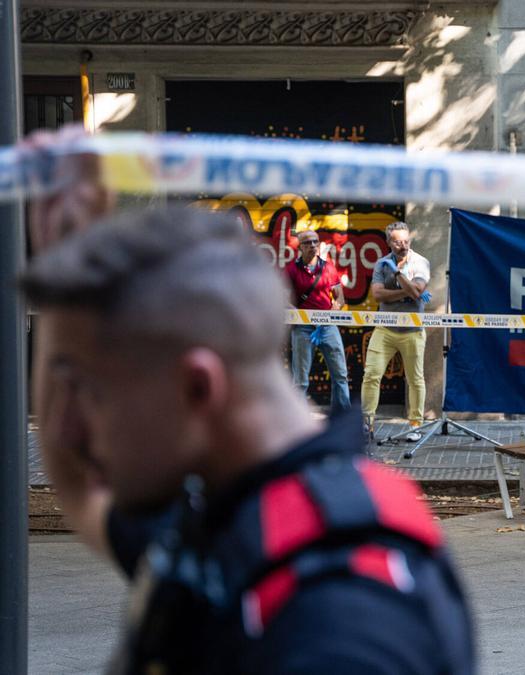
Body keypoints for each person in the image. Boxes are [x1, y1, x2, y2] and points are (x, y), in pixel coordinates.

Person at [23, 140, 475, 671]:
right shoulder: (230, 515)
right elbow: (79, 481)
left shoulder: (337, 617)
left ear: (197, 389)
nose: (79, 428)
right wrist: (64, 262)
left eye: (100, 397)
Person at [361, 221, 431, 443]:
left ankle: (414, 424)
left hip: (412, 330)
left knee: (415, 379)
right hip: (385, 328)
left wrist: (398, 275)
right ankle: (367, 424)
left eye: (406, 241)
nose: (403, 245)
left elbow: (418, 291)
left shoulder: (421, 262)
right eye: (398, 241)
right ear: (388, 242)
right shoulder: (381, 264)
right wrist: (407, 292)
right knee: (371, 375)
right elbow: (378, 295)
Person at [284, 229, 352, 415]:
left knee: (340, 375)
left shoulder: (328, 267)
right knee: (301, 379)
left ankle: (342, 417)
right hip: (303, 328)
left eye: (315, 241)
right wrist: (298, 315)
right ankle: (294, 419)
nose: (313, 245)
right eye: (308, 242)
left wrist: (327, 319)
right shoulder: (291, 269)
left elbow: (340, 299)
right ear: (300, 247)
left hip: (328, 327)